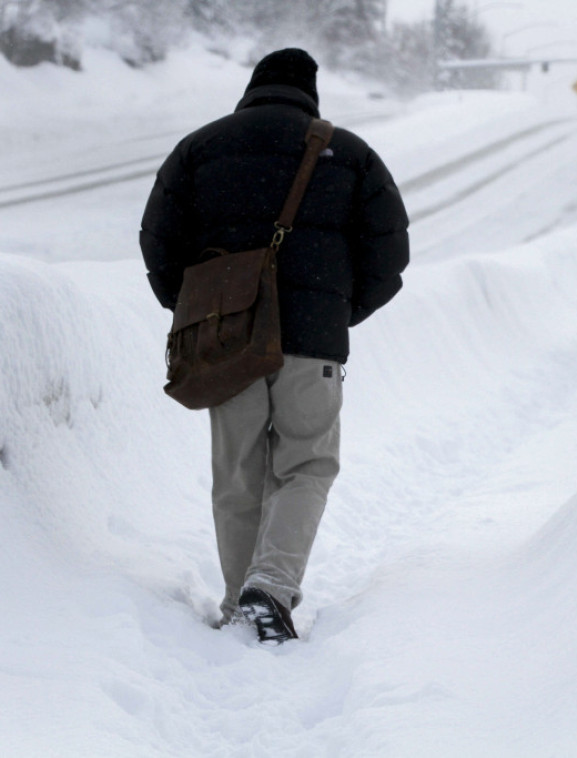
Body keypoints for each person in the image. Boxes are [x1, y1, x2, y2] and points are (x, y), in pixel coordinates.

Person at [139, 48, 409, 644]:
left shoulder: (200, 148)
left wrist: (198, 315)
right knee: (307, 464)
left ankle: (242, 603)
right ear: (311, 93)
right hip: (312, 345)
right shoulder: (351, 154)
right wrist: (335, 313)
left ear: (252, 88)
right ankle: (272, 586)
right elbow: (389, 260)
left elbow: (158, 243)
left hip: (227, 342)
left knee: (238, 473)